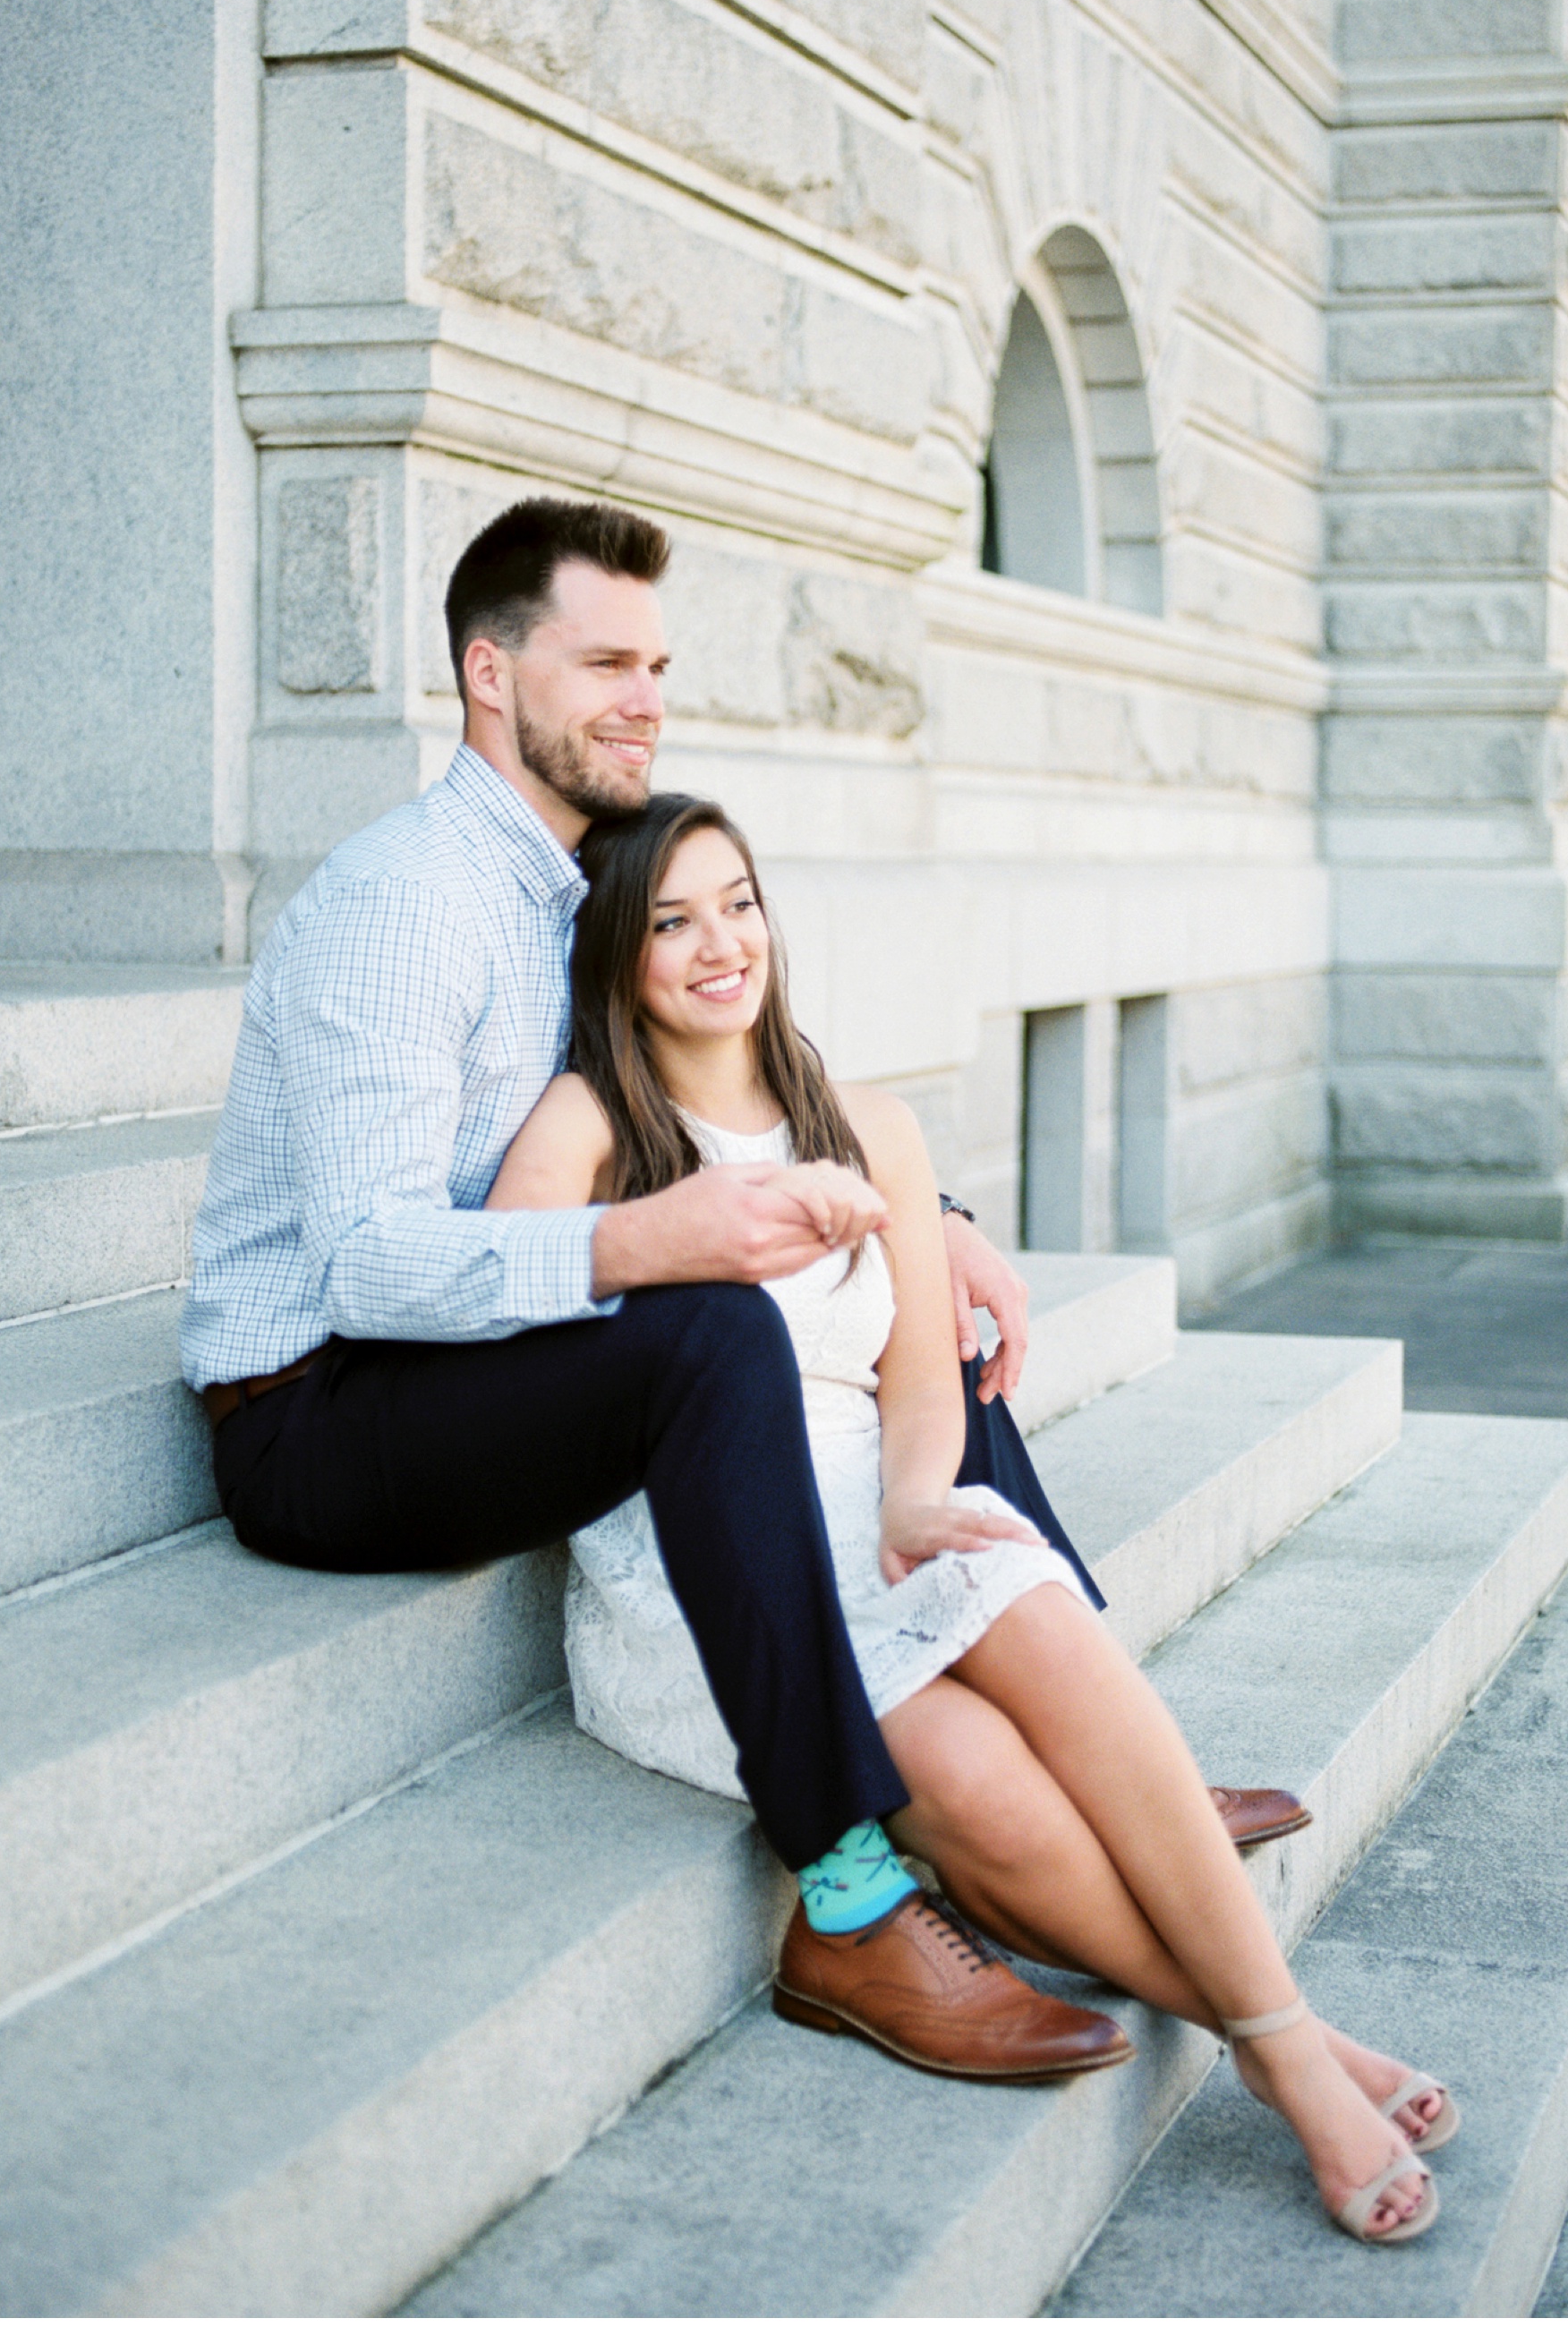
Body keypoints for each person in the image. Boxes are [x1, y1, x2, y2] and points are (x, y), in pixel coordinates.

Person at [177, 493, 1302, 2089]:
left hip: (469, 1348)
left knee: (916, 1315)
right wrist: (663, 1240)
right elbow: (366, 1268)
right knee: (706, 1328)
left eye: (660, 666)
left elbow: (708, 1055)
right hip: (322, 1411)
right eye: (608, 664)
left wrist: (922, 1213)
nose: (648, 699)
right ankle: (846, 1893)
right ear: (490, 677)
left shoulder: (576, 880)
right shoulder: (402, 904)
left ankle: (1118, 1753)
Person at [486, 789, 1455, 2246]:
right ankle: (1293, 2049)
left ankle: (1280, 2039)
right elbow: (501, 1327)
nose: (717, 945)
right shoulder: (589, 1126)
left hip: (876, 1496)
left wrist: (922, 1493)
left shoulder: (869, 1126)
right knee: (984, 1787)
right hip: (708, 1566)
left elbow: (917, 1373)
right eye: (673, 920)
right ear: (618, 954)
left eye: (738, 902)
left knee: (1045, 1621)